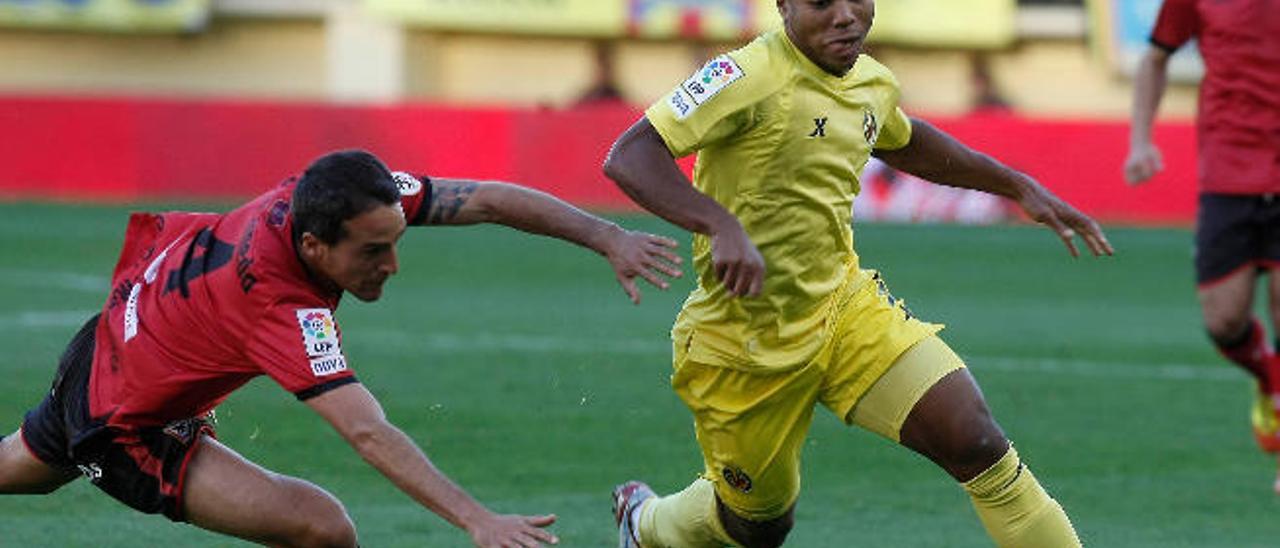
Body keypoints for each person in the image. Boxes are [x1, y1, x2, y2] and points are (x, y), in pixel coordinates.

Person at [602, 1, 1113, 546]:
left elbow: (904, 139)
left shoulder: (871, 80)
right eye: (822, 3)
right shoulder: (744, 75)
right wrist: (719, 224)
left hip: (844, 309)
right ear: (784, 7)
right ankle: (645, 524)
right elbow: (630, 156)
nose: (846, 16)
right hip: (745, 338)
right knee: (758, 526)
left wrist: (1015, 185)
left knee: (975, 441)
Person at [0, 149, 684, 547]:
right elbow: (366, 431)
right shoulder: (278, 303)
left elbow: (486, 202)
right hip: (124, 425)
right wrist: (479, 520)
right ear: (313, 246)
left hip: (110, 343)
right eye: (373, 251)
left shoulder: (328, 196)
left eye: (396, 241)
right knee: (323, 529)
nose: (391, 264)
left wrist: (607, 236)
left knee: (20, 465)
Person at [1123, 0, 1280, 491]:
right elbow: (1154, 58)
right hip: (1228, 171)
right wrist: (1140, 140)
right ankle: (1268, 379)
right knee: (1223, 319)